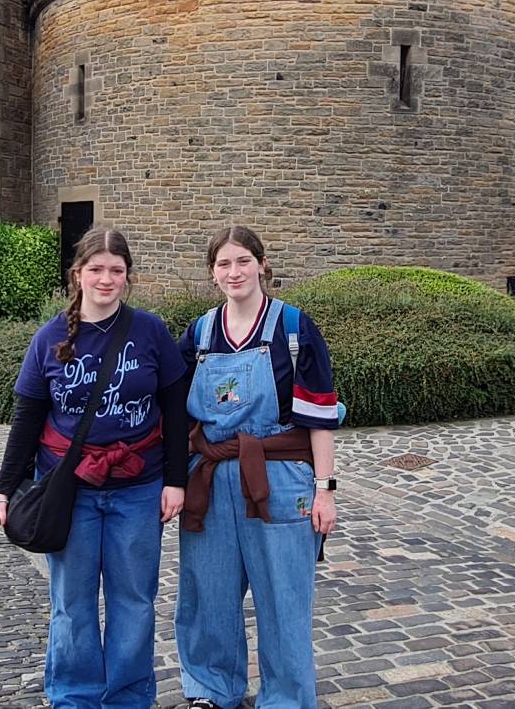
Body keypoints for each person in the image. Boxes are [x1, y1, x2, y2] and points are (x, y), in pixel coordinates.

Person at [0, 227, 189, 709]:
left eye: (116, 270)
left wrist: (176, 480)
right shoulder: (49, 338)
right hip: (70, 491)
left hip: (139, 488)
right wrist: (2, 490)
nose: (106, 279)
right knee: (72, 604)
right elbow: (27, 420)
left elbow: (175, 411)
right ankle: (74, 697)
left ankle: (128, 698)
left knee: (134, 601)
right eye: (96, 269)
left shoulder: (150, 332)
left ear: (128, 276)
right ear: (77, 274)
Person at [175, 226, 340, 709]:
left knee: (284, 599)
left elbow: (320, 417)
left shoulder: (294, 329)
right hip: (210, 479)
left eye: (243, 261)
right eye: (224, 264)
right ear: (212, 273)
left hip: (280, 478)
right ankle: (210, 690)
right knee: (207, 594)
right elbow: (173, 412)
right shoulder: (200, 334)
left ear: (262, 264)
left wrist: (325, 490)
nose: (235, 272)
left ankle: (285, 699)